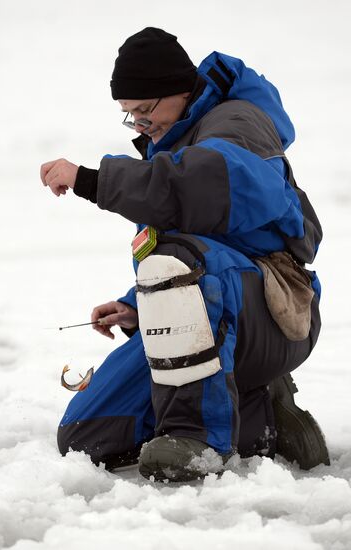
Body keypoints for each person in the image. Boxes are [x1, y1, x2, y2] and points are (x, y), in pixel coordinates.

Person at [40, 27, 329, 481]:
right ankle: (264, 415)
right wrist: (137, 307)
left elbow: (198, 188)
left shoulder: (237, 123)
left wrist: (92, 181)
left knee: (173, 257)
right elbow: (201, 251)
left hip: (276, 308)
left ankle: (196, 441)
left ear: (180, 90)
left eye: (143, 110)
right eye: (128, 115)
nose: (138, 124)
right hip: (226, 302)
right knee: (87, 435)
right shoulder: (174, 141)